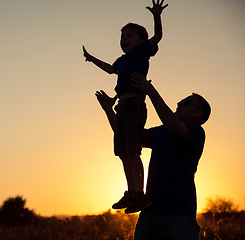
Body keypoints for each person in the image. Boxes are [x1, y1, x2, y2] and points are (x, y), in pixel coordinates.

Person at [96, 72, 211, 239]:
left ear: (198, 114)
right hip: (149, 214)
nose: (179, 103)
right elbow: (129, 135)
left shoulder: (196, 132)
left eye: (186, 102)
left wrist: (151, 91)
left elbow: (171, 123)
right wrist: (109, 111)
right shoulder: (161, 131)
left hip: (178, 216)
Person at [83, 0, 168, 212]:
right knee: (122, 152)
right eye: (122, 36)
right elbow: (110, 70)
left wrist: (156, 16)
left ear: (141, 40)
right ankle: (131, 192)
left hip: (134, 106)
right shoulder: (122, 60)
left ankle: (140, 193)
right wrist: (92, 59)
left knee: (132, 151)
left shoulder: (141, 52)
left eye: (129, 35)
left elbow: (157, 37)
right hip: (121, 107)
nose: (124, 39)